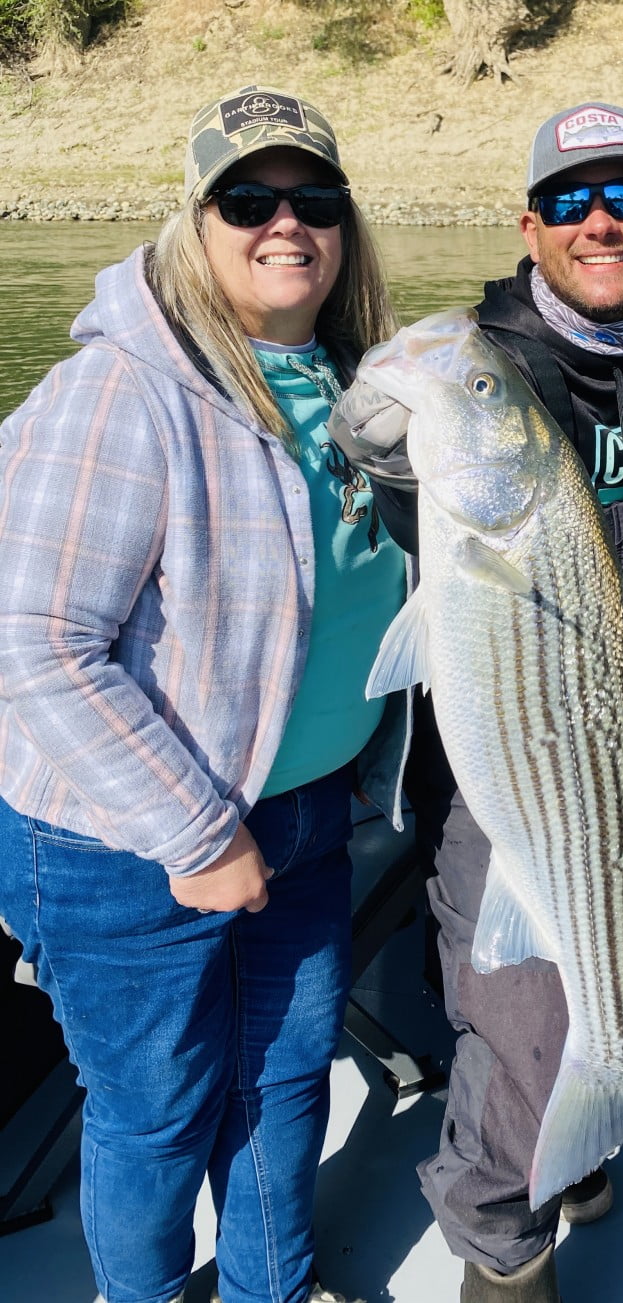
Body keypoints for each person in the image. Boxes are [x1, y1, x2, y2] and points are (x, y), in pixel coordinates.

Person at [0, 85, 404, 1303]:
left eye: (314, 199)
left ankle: (268, 1290)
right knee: (156, 1110)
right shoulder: (118, 391)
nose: (286, 225)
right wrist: (195, 829)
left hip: (303, 814)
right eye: (249, 199)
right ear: (197, 222)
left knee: (287, 1082)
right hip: (124, 842)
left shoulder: (345, 388)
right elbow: (34, 645)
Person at [351, 101, 623, 1302]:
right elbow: (420, 511)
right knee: (525, 1041)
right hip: (514, 761)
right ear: (530, 223)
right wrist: (396, 457)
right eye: (569, 200)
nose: (597, 222)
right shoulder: (504, 349)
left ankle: (585, 1148)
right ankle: (502, 1249)